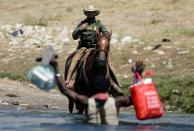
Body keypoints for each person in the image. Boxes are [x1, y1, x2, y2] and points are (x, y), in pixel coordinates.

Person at [50, 58, 132, 125]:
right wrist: (138, 74)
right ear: (107, 87)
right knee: (76, 58)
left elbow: (64, 89)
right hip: (84, 48)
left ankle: (67, 80)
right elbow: (136, 97)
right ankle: (69, 77)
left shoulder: (86, 102)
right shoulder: (118, 102)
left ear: (92, 88)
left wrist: (55, 68)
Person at [65, 5, 123, 96]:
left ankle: (115, 84)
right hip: (83, 48)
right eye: (88, 12)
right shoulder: (82, 23)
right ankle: (68, 81)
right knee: (75, 59)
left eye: (92, 12)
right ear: (86, 14)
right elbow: (74, 36)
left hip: (96, 48)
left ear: (94, 13)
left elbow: (106, 34)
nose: (90, 13)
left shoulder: (99, 24)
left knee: (109, 60)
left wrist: (102, 36)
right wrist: (80, 29)